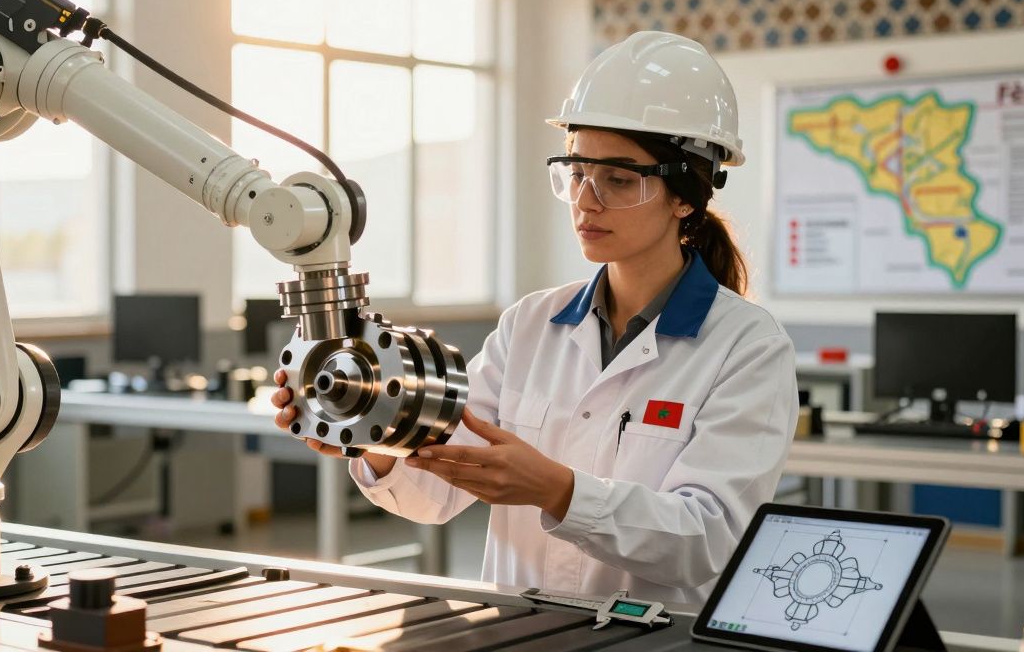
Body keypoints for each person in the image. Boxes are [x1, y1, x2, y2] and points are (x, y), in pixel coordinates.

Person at [272, 31, 798, 605]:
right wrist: (376, 433)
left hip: (653, 639)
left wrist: (559, 492)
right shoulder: (530, 323)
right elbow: (434, 494)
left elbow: (709, 540)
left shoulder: (747, 347)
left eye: (619, 179)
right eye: (577, 172)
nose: (586, 200)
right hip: (518, 627)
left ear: (686, 196)